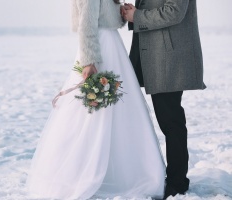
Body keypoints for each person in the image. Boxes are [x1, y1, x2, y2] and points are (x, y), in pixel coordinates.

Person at [26, 0, 165, 199]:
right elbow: (86, 23)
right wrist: (89, 60)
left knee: (117, 109)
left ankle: (123, 172)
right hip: (99, 48)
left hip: (111, 44)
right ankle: (84, 173)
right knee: (93, 110)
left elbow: (106, 17)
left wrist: (121, 12)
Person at [122, 0, 206, 199]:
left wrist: (137, 16)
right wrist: (128, 14)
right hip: (152, 54)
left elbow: (174, 12)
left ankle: (177, 183)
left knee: (171, 121)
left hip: (168, 58)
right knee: (165, 120)